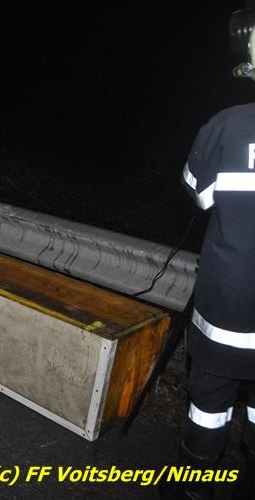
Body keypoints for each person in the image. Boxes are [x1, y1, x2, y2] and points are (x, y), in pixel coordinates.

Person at [164, 27, 255, 500]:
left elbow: (198, 194)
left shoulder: (227, 125)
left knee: (209, 409)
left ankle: (194, 489)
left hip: (228, 315)